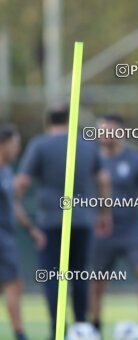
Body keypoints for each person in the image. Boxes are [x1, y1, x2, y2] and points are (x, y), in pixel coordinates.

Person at [15, 108, 111, 338]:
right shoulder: (87, 146)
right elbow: (104, 180)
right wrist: (104, 214)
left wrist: (25, 220)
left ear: (48, 122)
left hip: (50, 222)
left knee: (52, 277)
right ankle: (81, 327)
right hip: (82, 221)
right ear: (70, 121)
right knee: (79, 275)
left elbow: (21, 184)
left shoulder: (40, 145)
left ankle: (57, 328)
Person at [89, 114, 138, 339]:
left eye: (110, 130)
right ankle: (95, 327)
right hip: (101, 232)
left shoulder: (134, 160)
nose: (105, 134)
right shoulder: (91, 159)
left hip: (130, 230)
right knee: (97, 282)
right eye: (102, 130)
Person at [0, 125, 45, 340]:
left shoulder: (7, 171)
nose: (18, 149)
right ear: (4, 144)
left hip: (7, 236)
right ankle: (20, 334)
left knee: (14, 283)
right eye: (15, 144)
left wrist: (30, 229)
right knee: (13, 283)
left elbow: (14, 204)